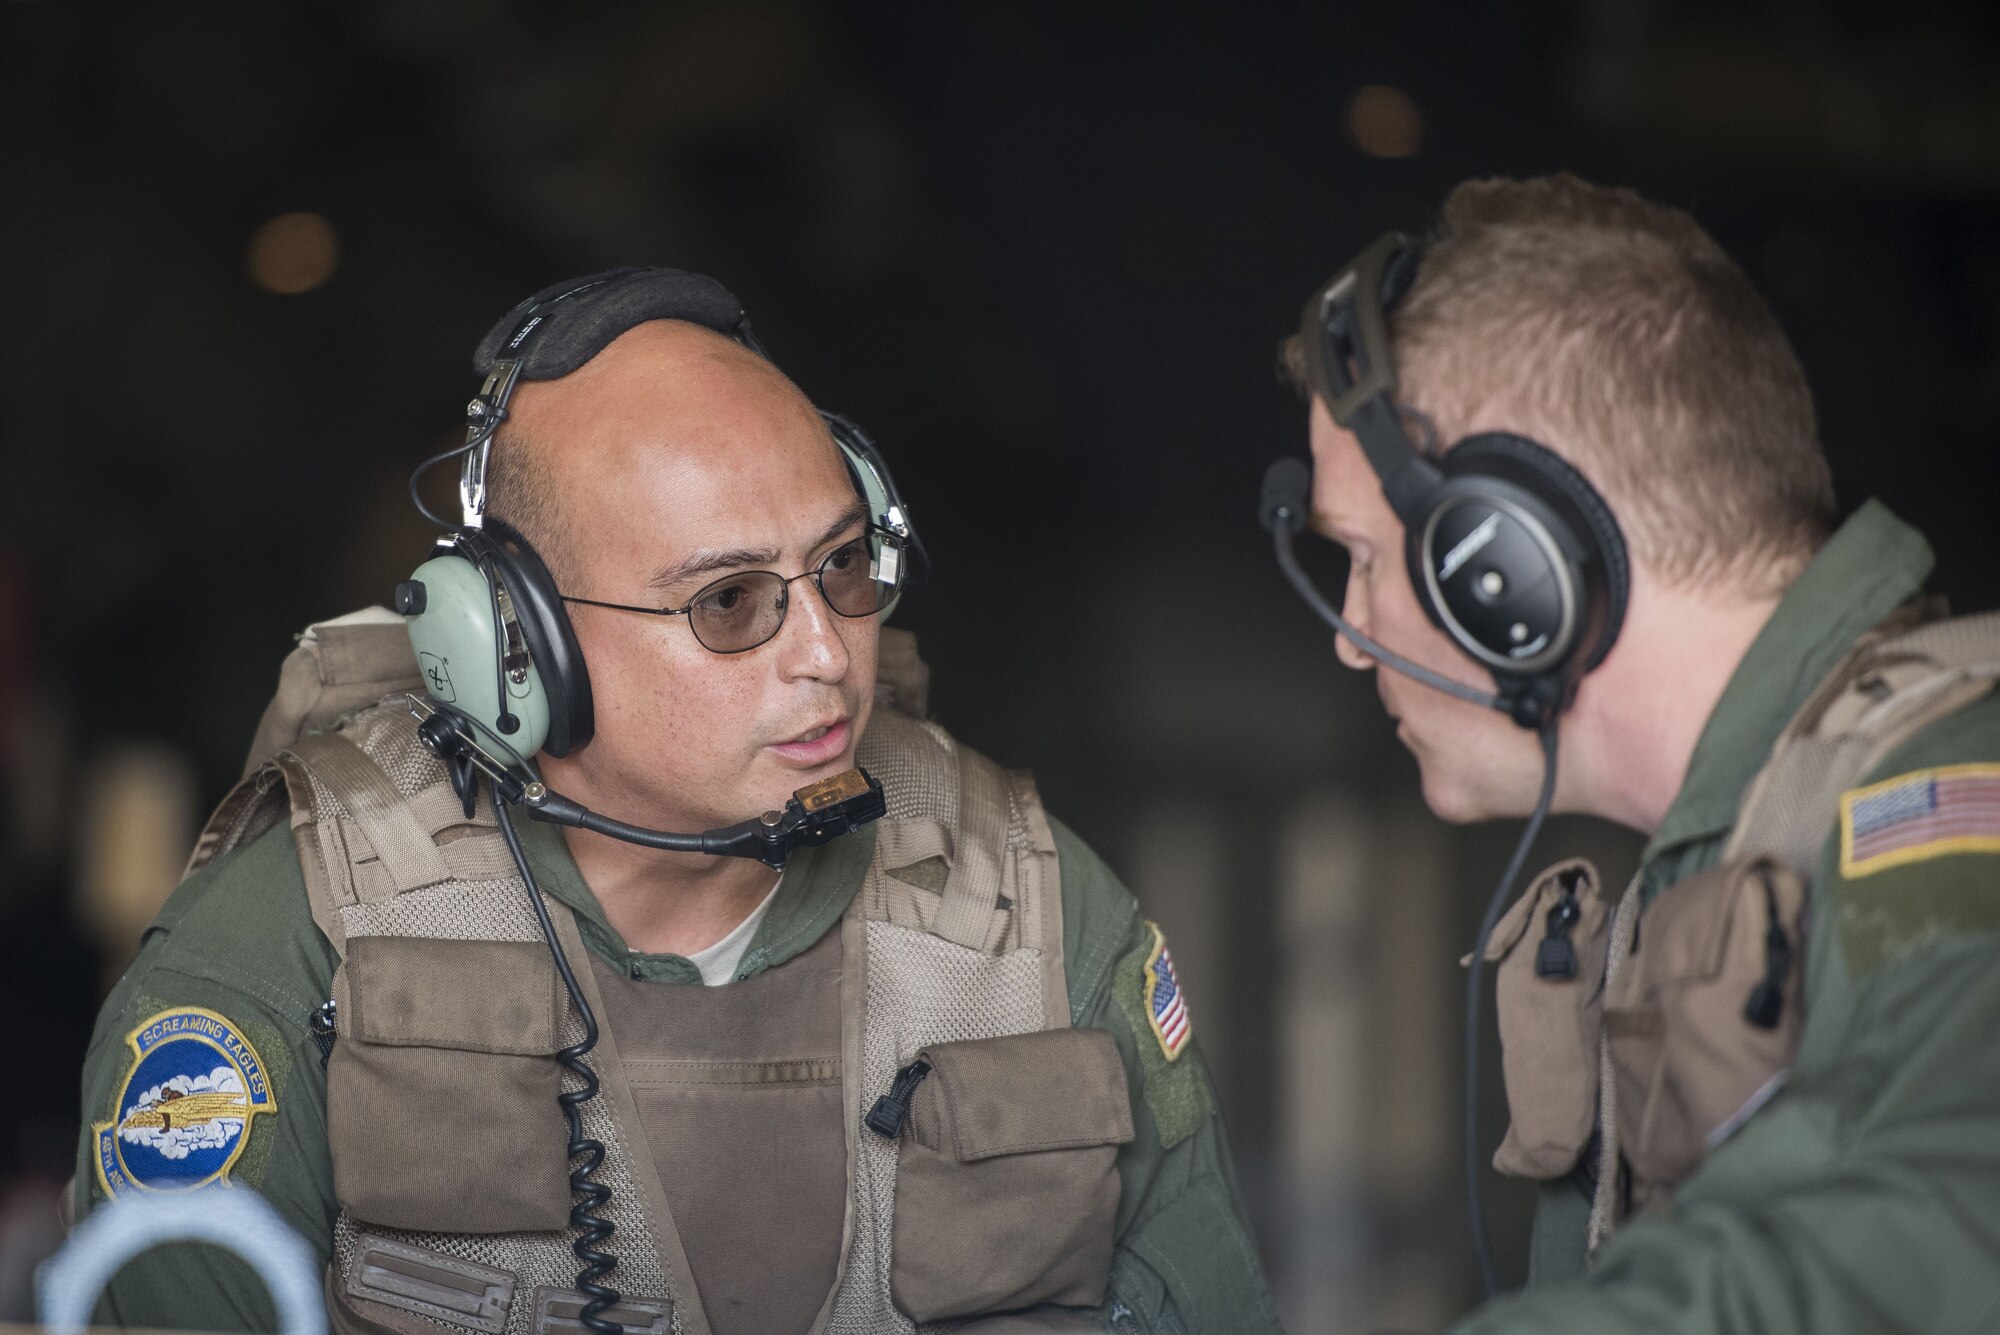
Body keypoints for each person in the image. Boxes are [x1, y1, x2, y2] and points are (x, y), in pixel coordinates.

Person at [73, 270, 1282, 1335]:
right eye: (728, 603)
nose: (827, 652)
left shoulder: (1031, 914)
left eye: (844, 564)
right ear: (516, 645)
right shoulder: (291, 946)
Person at [1274, 174, 2000, 1332]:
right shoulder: (1744, 845)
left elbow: (1941, 1229)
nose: (1353, 647)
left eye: (1361, 556)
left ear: (1509, 574)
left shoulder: (1954, 803)